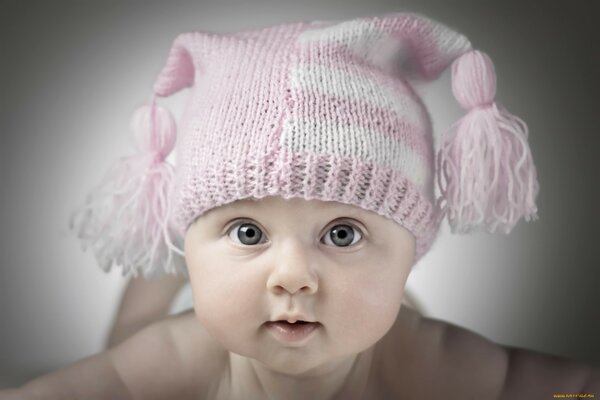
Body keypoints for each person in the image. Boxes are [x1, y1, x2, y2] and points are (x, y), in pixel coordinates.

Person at [1, 11, 598, 400]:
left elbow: (569, 387)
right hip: (178, 321)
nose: (292, 277)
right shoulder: (169, 362)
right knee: (136, 329)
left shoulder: (431, 363)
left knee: (385, 315)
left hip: (386, 320)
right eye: (247, 230)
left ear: (412, 252)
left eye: (341, 233)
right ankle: (165, 271)